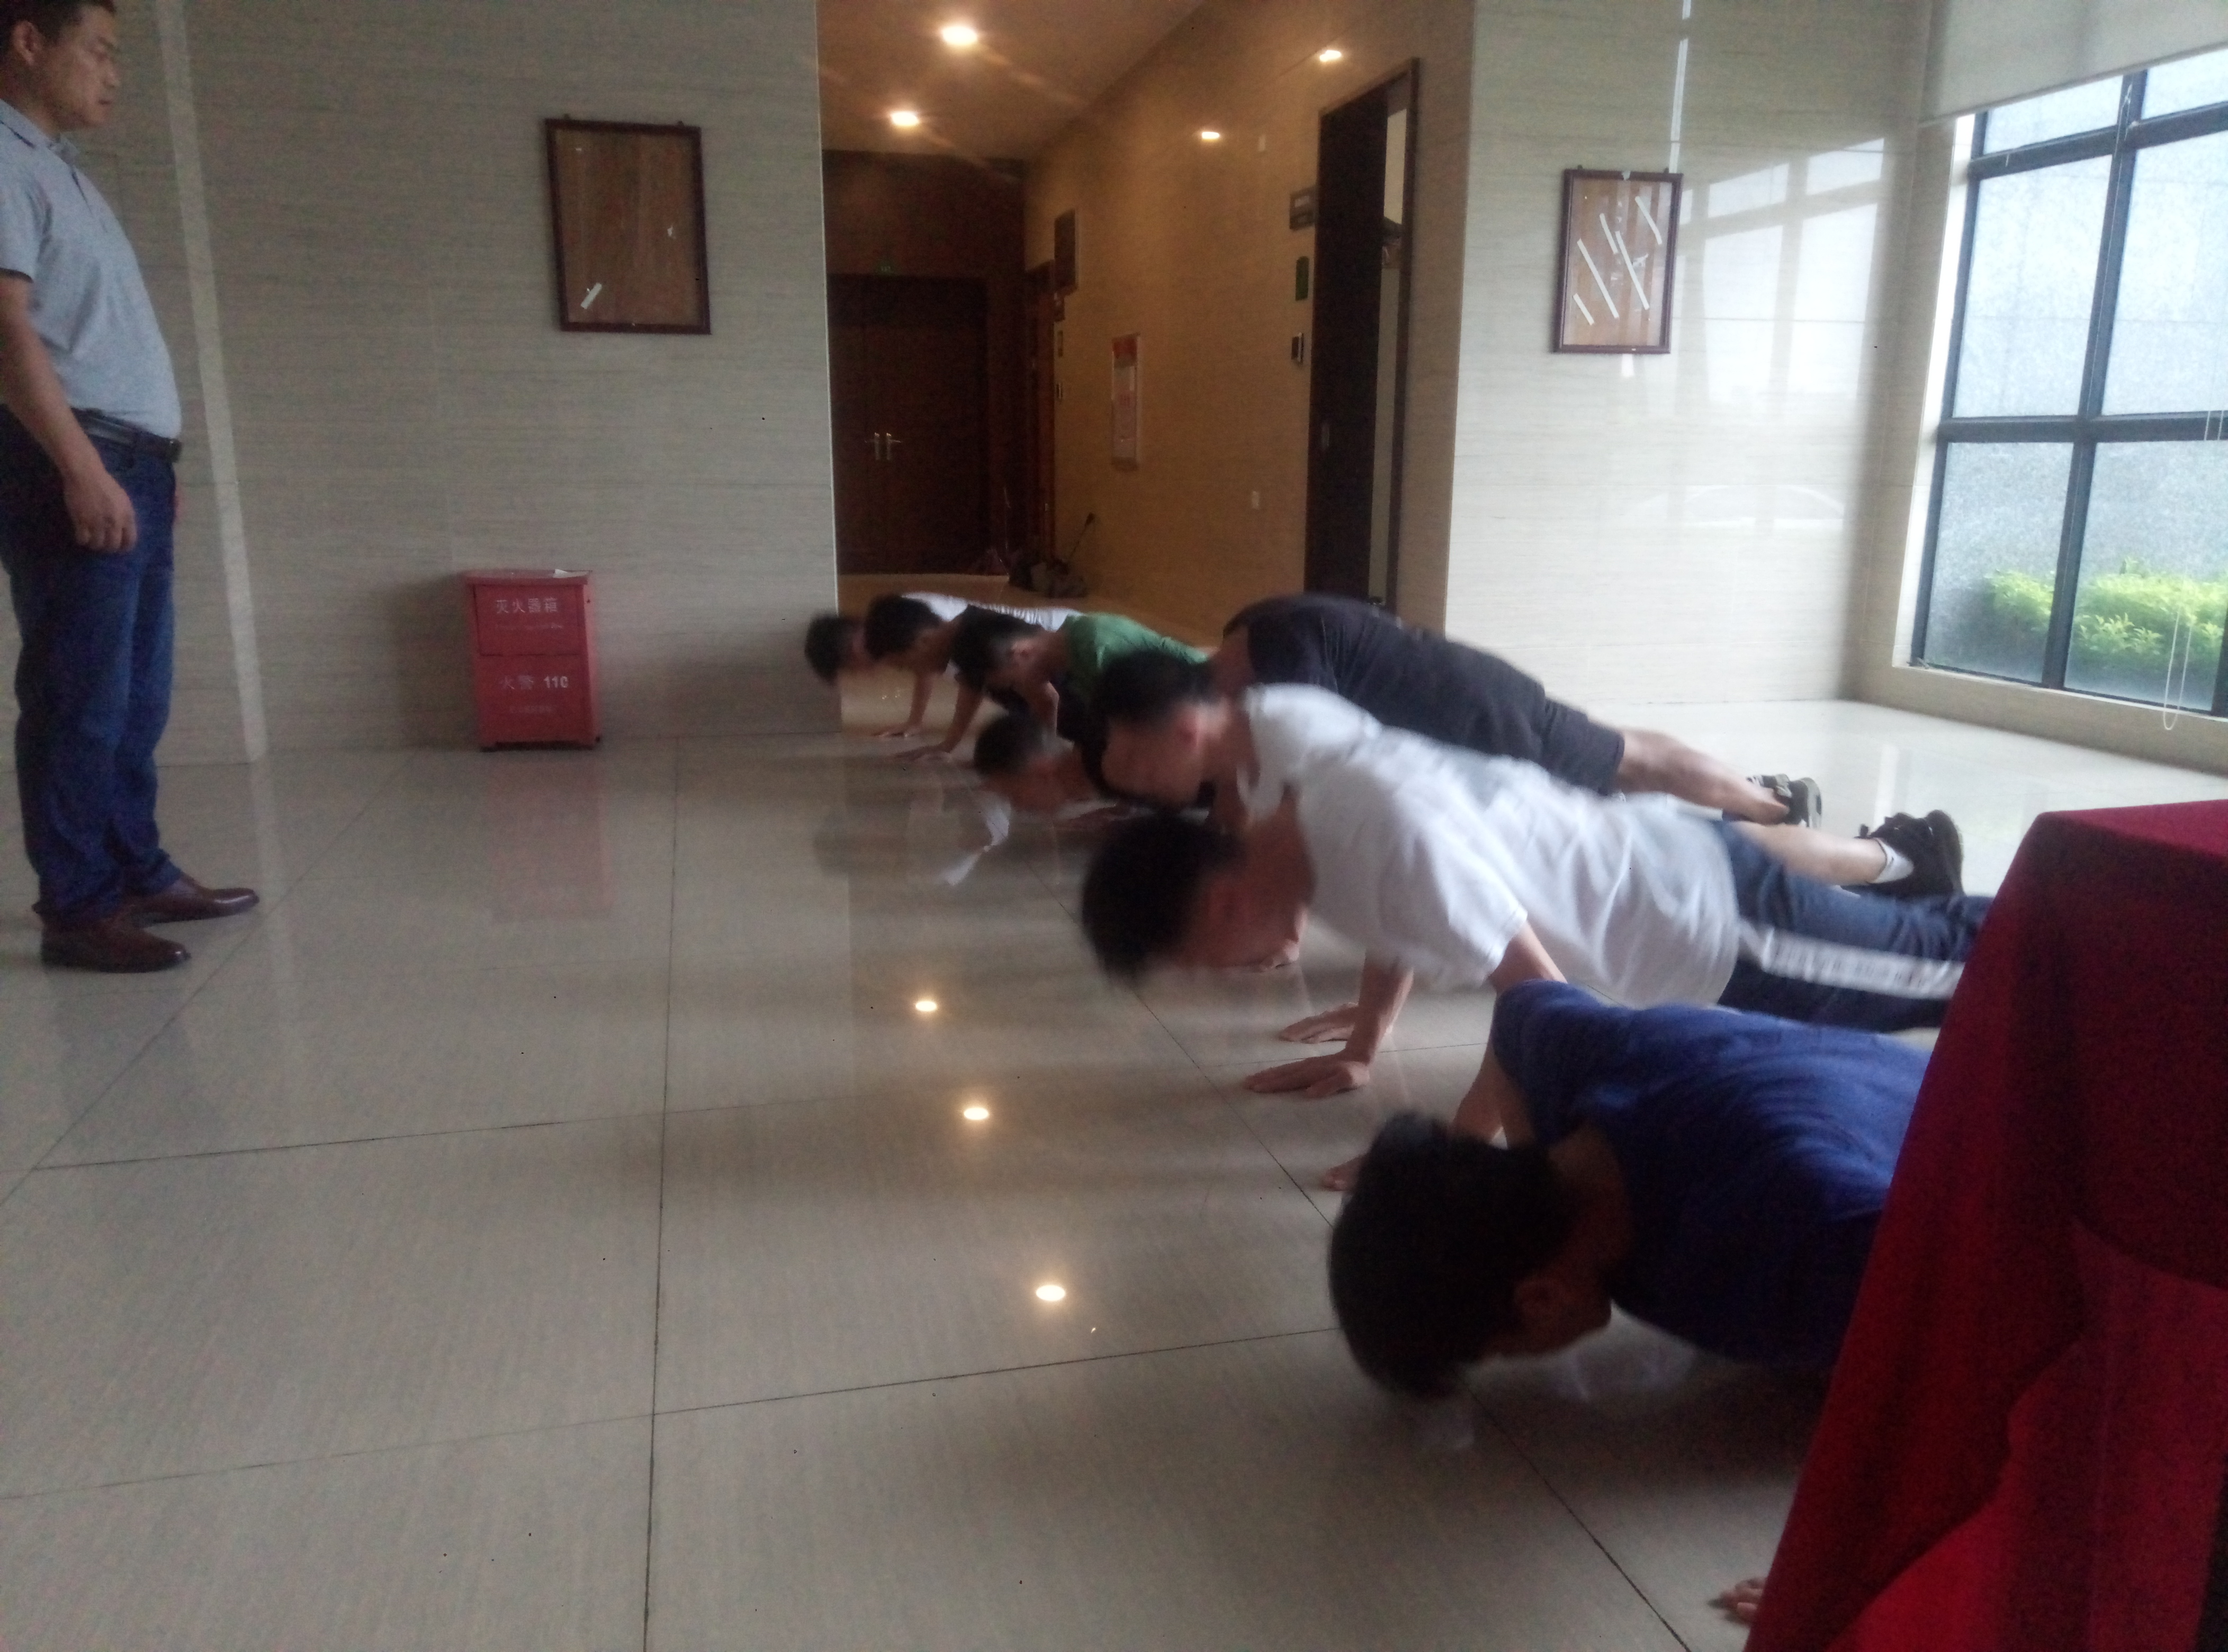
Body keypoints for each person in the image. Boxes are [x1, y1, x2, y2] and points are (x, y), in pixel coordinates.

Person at [1079, 687, 1988, 1181]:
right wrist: (1365, 1044)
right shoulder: (1309, 826)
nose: (1226, 975)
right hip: (1675, 888)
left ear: (1221, 906)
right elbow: (1408, 927)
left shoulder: (1380, 845)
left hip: (1708, 923)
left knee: (1949, 971)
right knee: (1927, 955)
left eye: (1201, 964)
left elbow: (1544, 1011)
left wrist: (1455, 1155)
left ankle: (2075, 932)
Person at [1326, 979, 1927, 1391]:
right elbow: (1519, 1008)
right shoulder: (1570, 1066)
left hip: (1962, 1162)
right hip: (1900, 1080)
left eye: (1505, 1351)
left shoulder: (1782, 1244)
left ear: (1540, 1299)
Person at [0, 0, 254, 973]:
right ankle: (78, 906)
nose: (114, 74)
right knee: (80, 697)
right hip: (75, 458)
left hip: (129, 462)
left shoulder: (57, 169)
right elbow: (6, 331)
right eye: (99, 51)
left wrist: (147, 465)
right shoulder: (4, 161)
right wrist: (83, 467)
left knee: (136, 695)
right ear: (29, 41)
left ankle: (134, 870)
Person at [1217, 592, 1816, 824]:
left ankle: (1773, 808)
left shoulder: (1279, 654)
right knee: (1629, 754)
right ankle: (1758, 792)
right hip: (1474, 691)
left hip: (1480, 716)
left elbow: (1306, 769)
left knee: (1635, 765)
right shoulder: (1262, 626)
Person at [801, 591, 1079, 755]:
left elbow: (1047, 699)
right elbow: (972, 681)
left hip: (1063, 637)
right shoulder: (949, 643)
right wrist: (948, 743)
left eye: (903, 666)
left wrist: (1045, 760)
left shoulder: (944, 631)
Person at [949, 608, 1205, 733]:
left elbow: (1145, 725)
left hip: (1203, 702)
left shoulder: (1095, 647)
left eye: (1013, 684)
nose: (1020, 691)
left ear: (1022, 653)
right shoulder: (1072, 656)